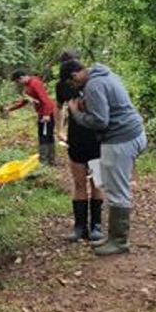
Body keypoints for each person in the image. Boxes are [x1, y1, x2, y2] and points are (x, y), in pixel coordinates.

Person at [60, 60, 147, 256]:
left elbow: (101, 121)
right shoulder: (107, 75)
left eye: (72, 84)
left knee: (117, 191)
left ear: (74, 76)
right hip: (135, 133)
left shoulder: (93, 85)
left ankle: (119, 241)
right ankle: (114, 237)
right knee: (115, 187)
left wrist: (76, 113)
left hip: (120, 139)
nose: (75, 88)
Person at [54, 52, 103, 243]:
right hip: (76, 138)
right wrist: (59, 129)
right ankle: (79, 226)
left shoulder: (95, 84)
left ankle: (96, 225)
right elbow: (57, 106)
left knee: (98, 181)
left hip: (98, 138)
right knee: (79, 181)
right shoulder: (62, 86)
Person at [3, 69, 56, 165]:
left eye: (17, 81)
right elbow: (24, 101)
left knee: (45, 136)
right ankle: (49, 159)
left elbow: (45, 100)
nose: (18, 84)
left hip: (47, 113)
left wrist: (46, 114)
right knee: (45, 135)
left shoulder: (35, 83)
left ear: (22, 77)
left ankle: (46, 161)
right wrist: (10, 108)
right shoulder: (27, 87)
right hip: (42, 113)